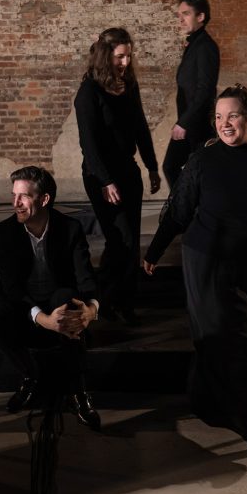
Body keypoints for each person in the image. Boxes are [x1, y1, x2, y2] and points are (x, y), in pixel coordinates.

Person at [143, 85, 247, 457]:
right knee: (243, 342)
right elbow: (179, 212)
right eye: (218, 117)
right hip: (208, 261)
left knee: (225, 340)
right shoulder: (203, 161)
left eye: (232, 115)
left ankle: (203, 397)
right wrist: (155, 250)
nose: (225, 124)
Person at [0, 166, 101, 429]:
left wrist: (91, 309)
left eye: (23, 196)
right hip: (25, 313)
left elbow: (85, 277)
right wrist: (43, 319)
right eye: (13, 195)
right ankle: (29, 376)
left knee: (67, 297)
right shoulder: (3, 232)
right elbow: (13, 289)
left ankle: (78, 392)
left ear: (44, 199)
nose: (15, 203)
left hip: (61, 309)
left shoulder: (69, 228)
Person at [75, 27, 161, 325]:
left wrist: (151, 166)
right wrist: (105, 181)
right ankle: (107, 301)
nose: (125, 62)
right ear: (105, 55)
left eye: (128, 56)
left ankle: (121, 303)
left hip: (127, 170)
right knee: (119, 239)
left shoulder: (129, 86)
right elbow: (88, 143)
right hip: (100, 175)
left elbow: (140, 127)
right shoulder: (88, 92)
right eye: (120, 57)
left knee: (130, 240)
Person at [161, 0, 220, 189]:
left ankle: (186, 205)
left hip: (197, 124)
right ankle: (186, 204)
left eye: (186, 14)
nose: (181, 20)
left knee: (180, 168)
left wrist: (184, 122)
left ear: (200, 16)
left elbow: (205, 90)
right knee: (176, 168)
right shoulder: (195, 44)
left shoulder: (205, 46)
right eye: (179, 15)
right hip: (190, 123)